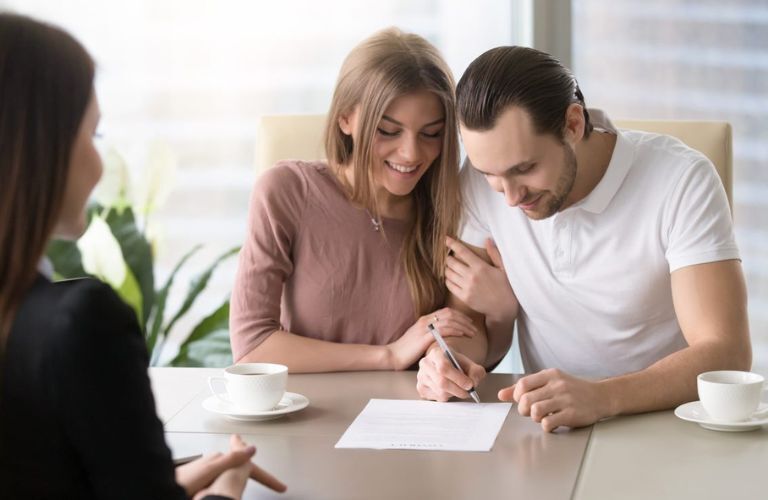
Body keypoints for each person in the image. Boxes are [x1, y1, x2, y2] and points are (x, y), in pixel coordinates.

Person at [0, 13, 285, 498]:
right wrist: (227, 489)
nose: (100, 162)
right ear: (41, 148)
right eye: (93, 135)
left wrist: (161, 484)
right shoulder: (81, 323)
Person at [416, 45, 751, 432]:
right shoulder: (479, 183)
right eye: (489, 173)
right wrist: (451, 361)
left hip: (667, 425)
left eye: (525, 168)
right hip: (551, 430)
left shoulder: (681, 180)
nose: (509, 197)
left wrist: (603, 396)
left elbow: (726, 354)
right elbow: (469, 325)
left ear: (573, 124)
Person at [230, 28, 478, 372]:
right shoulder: (285, 191)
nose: (411, 153)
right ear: (345, 118)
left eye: (431, 134)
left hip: (412, 416)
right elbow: (252, 346)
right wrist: (388, 355)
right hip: (308, 416)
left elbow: (465, 334)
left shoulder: (452, 207)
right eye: (388, 131)